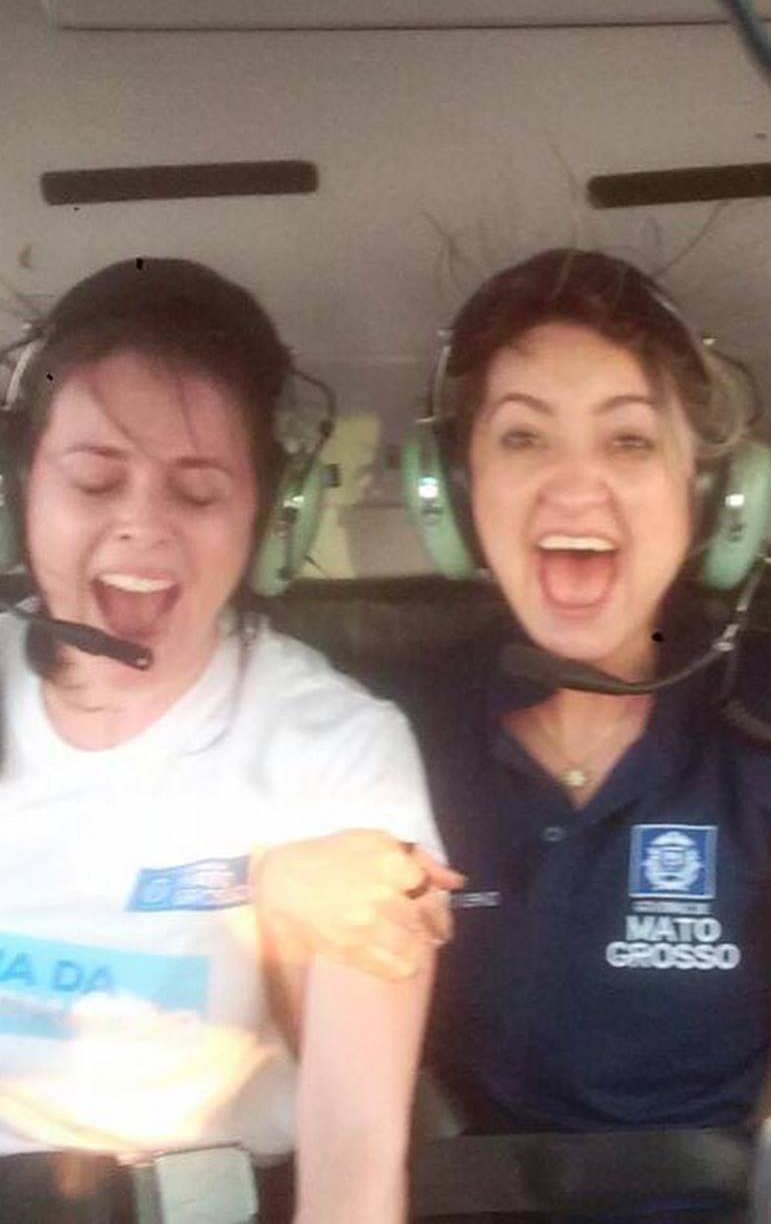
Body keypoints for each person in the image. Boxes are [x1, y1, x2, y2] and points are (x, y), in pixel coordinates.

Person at [264, 247, 771, 1162]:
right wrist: (278, 913)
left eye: (629, 440)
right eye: (523, 437)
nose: (573, 486)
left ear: (709, 494)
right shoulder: (377, 738)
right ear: (457, 492)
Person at [0, 256, 445, 1223]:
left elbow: (354, 1147)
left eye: (197, 494)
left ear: (264, 519)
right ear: (23, 484)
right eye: (94, 480)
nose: (141, 526)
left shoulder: (337, 751)